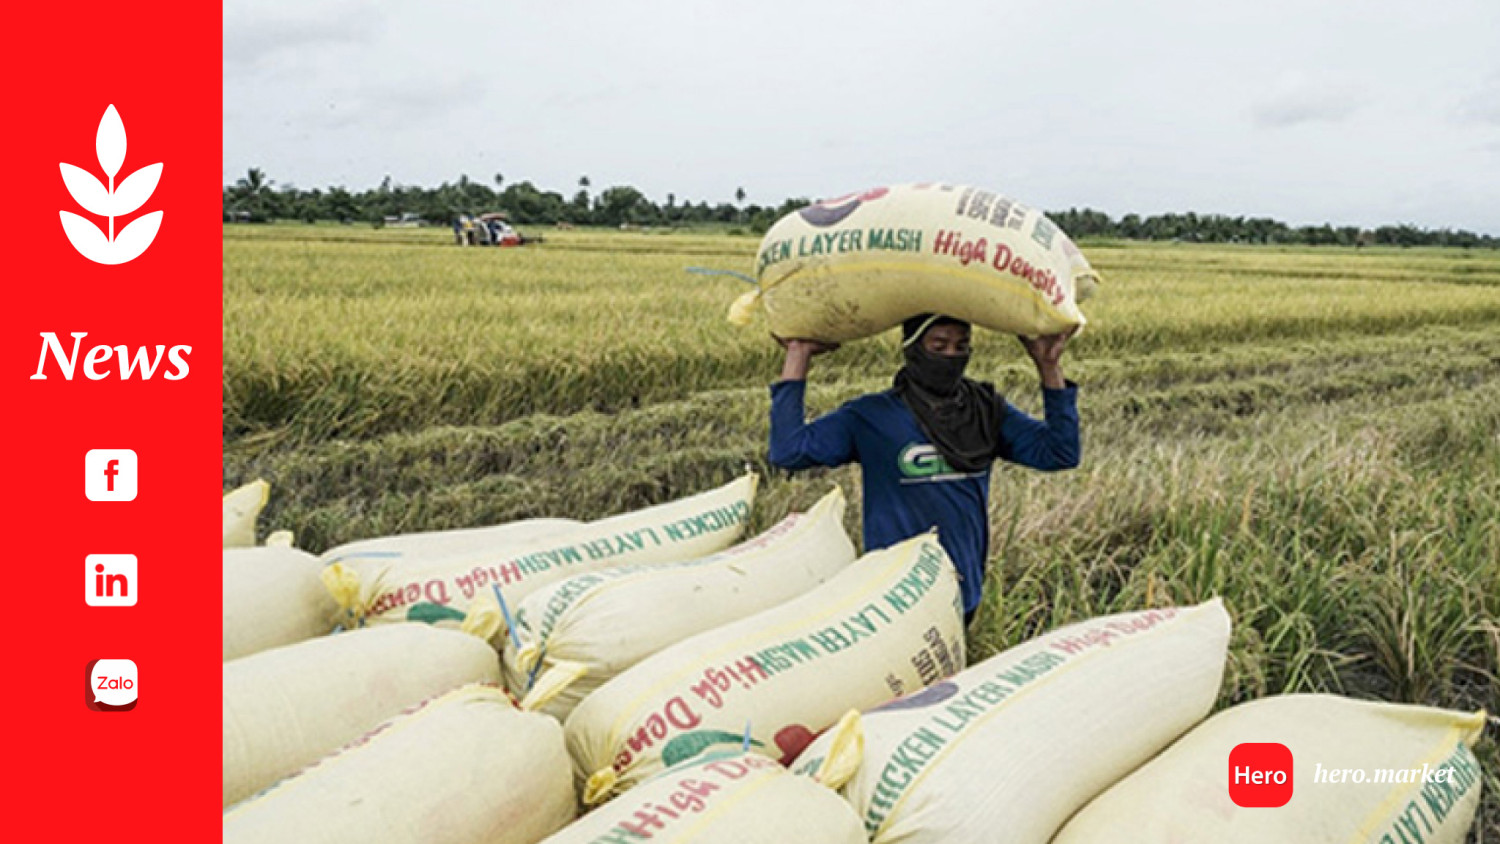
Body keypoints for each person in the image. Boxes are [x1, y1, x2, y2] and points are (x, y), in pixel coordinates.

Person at [768, 314, 1080, 625]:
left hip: (963, 590)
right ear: (912, 348)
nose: (951, 357)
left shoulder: (984, 412)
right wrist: (798, 356)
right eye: (939, 345)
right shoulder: (873, 416)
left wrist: (1048, 366)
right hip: (892, 595)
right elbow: (789, 451)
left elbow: (1059, 452)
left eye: (961, 346)